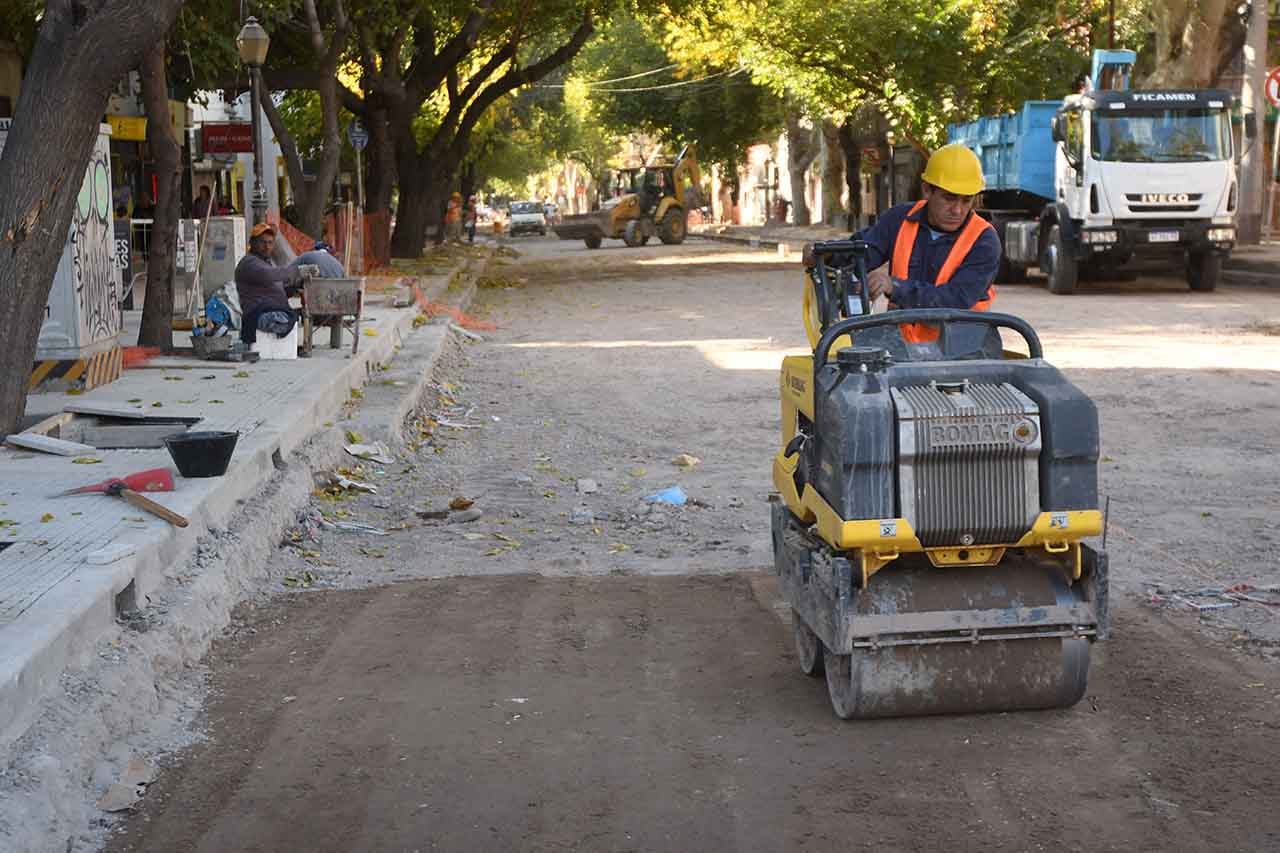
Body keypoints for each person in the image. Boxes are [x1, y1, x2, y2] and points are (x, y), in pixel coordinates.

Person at [854, 143, 1000, 344]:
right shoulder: (899, 219)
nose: (957, 210)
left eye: (966, 201)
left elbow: (954, 300)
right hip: (901, 347)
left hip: (964, 353)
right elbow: (861, 252)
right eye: (949, 198)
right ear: (927, 190)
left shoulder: (984, 240)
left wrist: (895, 287)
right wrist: (825, 254)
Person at [235, 222, 303, 344]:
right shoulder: (249, 263)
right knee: (282, 319)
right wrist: (296, 271)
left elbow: (275, 286)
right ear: (252, 243)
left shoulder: (265, 262)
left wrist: (294, 288)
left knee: (294, 316)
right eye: (263, 242)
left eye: (270, 243)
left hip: (270, 309)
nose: (267, 247)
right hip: (257, 313)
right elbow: (269, 275)